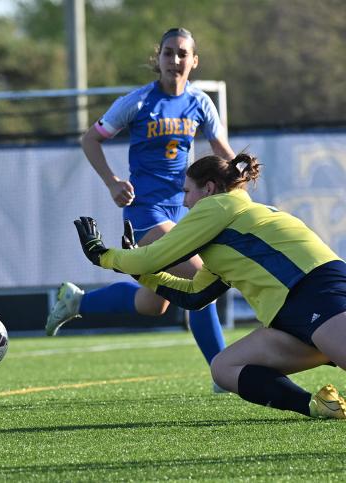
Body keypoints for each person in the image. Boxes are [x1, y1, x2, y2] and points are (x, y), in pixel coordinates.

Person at [72, 152, 346, 419]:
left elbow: (152, 257)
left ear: (209, 188)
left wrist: (102, 255)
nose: (184, 201)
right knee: (224, 367)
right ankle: (319, 406)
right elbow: (195, 296)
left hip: (315, 291)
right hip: (291, 312)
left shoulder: (218, 206)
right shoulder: (227, 233)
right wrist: (143, 276)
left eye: (187, 191)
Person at [47, 27, 236, 389]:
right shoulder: (137, 102)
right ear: (158, 58)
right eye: (168, 53)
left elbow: (221, 150)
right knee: (202, 278)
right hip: (145, 213)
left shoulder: (200, 103)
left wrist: (241, 176)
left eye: (182, 53)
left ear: (194, 61)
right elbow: (90, 139)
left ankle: (78, 302)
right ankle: (223, 372)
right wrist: (112, 182)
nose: (175, 60)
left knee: (153, 304)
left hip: (184, 211)